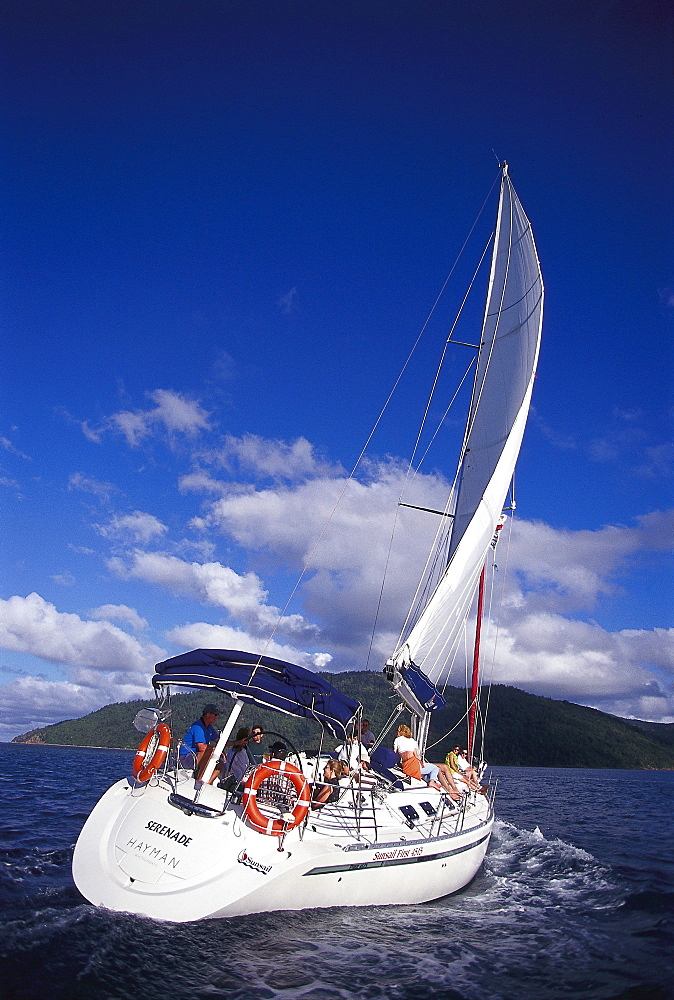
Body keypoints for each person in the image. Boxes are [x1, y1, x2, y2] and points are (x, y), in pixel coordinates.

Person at [180, 704, 221, 775]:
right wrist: (216, 749)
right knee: (208, 753)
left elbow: (219, 741)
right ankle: (199, 780)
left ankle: (206, 783)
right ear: (208, 714)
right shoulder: (198, 726)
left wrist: (236, 742)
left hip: (195, 756)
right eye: (215, 714)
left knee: (220, 764)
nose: (217, 717)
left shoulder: (209, 728)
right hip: (186, 758)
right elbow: (201, 747)